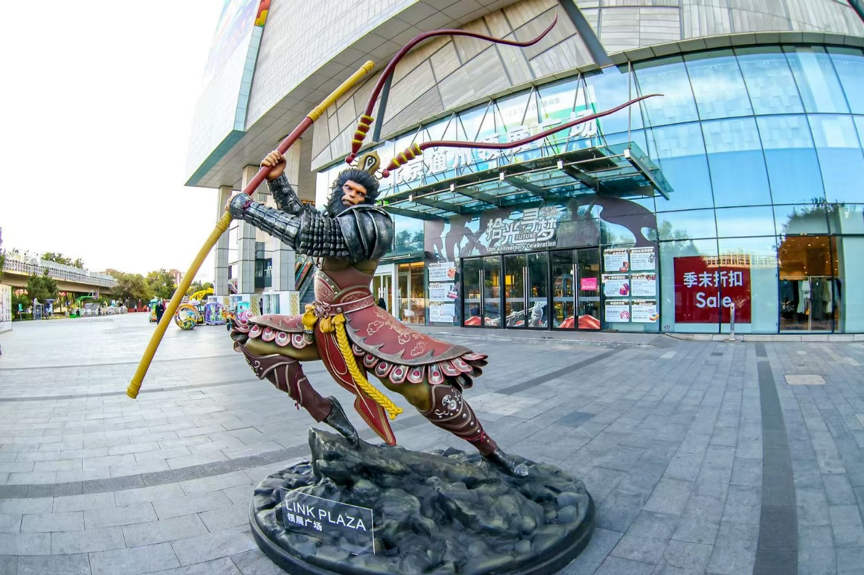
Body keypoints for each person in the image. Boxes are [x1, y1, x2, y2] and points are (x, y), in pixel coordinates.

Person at [228, 149, 526, 476]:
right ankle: (323, 408)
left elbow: (306, 234)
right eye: (348, 190)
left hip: (365, 326)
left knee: (423, 386)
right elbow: (303, 220)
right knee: (251, 336)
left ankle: (491, 450)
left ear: (367, 199)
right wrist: (278, 180)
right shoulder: (333, 223)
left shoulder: (371, 225)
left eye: (359, 193)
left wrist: (249, 209)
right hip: (320, 322)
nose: (352, 196)